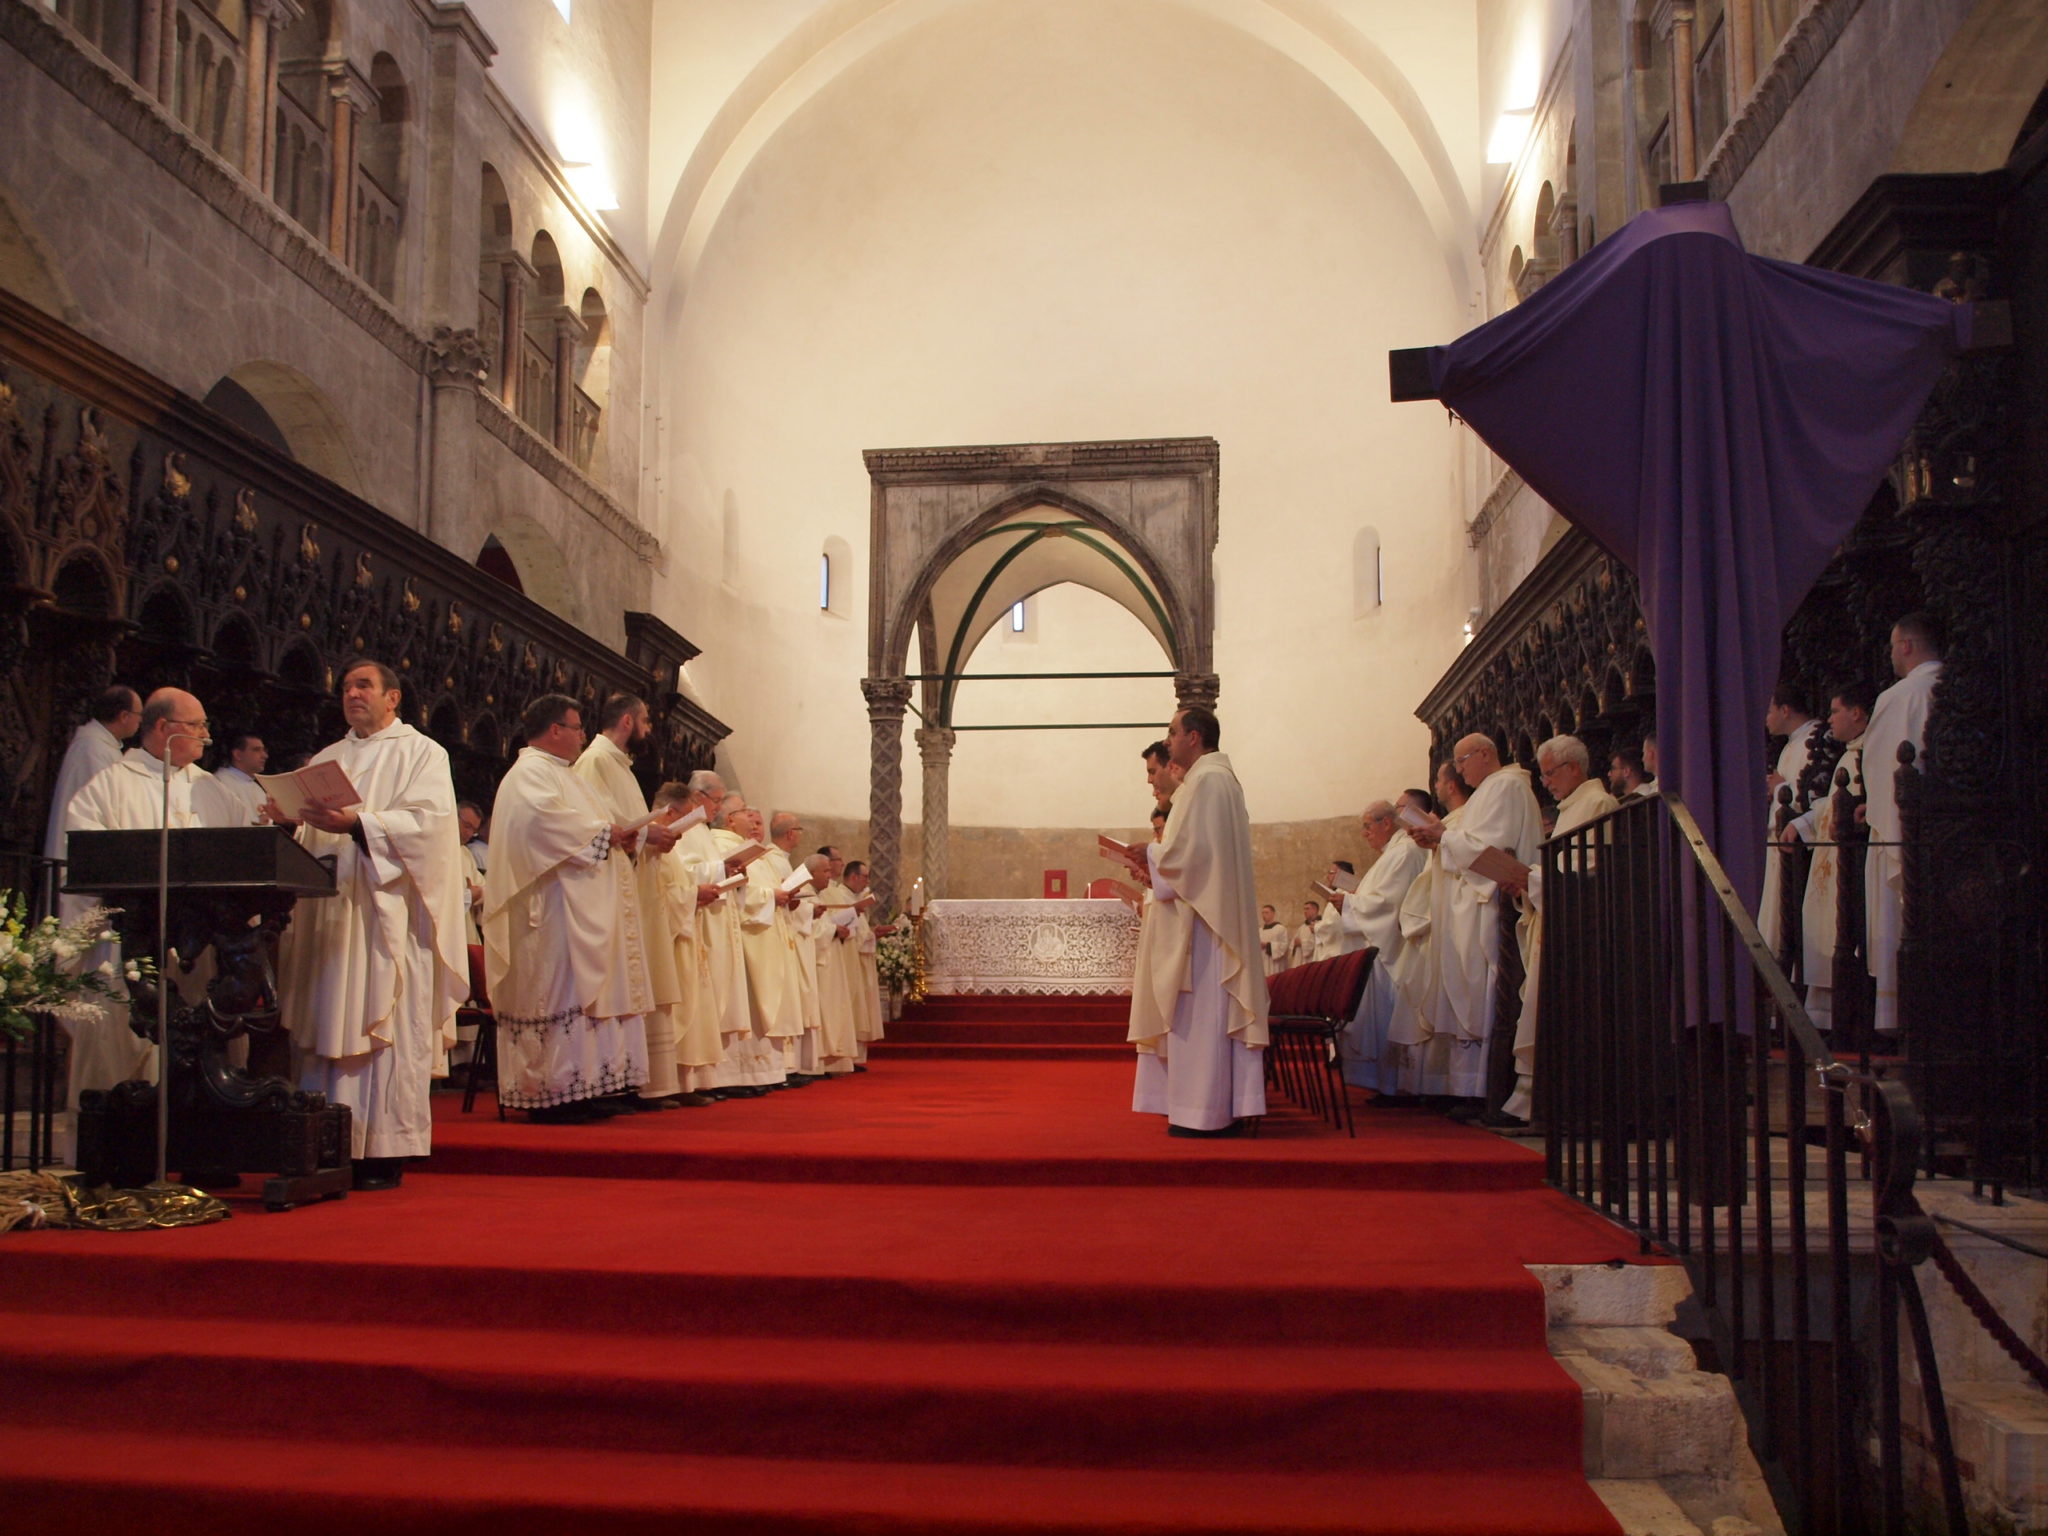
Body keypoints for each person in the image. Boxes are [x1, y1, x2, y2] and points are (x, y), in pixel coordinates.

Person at [272, 661, 470, 1188]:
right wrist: (290, 822)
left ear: (393, 698)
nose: (352, 694)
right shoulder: (327, 757)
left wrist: (359, 823)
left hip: (387, 921)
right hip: (332, 916)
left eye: (363, 686)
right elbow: (313, 840)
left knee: (383, 1026)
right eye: (345, 688)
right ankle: (327, 1143)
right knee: (327, 1019)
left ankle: (383, 1149)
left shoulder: (422, 753)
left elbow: (430, 829)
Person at [61, 688, 233, 1116]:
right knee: (121, 1053)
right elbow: (81, 866)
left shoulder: (212, 789)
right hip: (126, 946)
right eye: (196, 726)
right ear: (163, 728)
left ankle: (197, 1149)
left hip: (197, 949)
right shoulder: (109, 786)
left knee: (196, 1048)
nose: (205, 735)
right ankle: (114, 1156)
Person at [481, 693, 650, 1123]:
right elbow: (539, 822)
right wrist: (604, 833)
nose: (581, 736)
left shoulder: (564, 774)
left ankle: (586, 1086)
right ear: (555, 730)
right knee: (559, 998)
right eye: (577, 728)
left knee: (585, 996)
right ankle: (554, 1091)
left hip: (576, 908)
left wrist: (615, 835)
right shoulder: (529, 773)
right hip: (549, 913)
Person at [1129, 706, 1268, 1136]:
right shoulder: (1216, 781)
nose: (1167, 740)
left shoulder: (1206, 782)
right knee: (1205, 1018)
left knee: (1201, 1018)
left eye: (1172, 733)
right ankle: (1206, 1109)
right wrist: (1156, 861)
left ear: (1194, 737)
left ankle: (1203, 1113)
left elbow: (1190, 857)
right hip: (1207, 916)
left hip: (1204, 928)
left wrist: (1150, 854)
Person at [1408, 733, 1543, 1110]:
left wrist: (1444, 836)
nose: (1460, 768)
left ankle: (1485, 1088)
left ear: (1485, 754)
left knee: (1482, 993)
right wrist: (1440, 840)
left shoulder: (1506, 787)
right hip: (1470, 903)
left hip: (1487, 907)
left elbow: (1492, 848)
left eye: (1463, 759)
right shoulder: (1491, 790)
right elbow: (1469, 843)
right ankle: (1468, 1087)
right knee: (1467, 992)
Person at [573, 694, 689, 1109]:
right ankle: (611, 1082)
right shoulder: (596, 762)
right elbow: (591, 827)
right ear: (627, 721)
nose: (649, 730)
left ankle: (628, 1080)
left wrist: (652, 839)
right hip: (607, 896)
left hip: (632, 889)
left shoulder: (619, 766)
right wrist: (647, 835)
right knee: (613, 986)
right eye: (645, 721)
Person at [1502, 735, 1618, 1122]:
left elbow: (1589, 874)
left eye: (1550, 773)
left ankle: (1546, 1104)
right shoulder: (1573, 808)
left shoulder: (1598, 804)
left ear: (1573, 768)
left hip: (1579, 929)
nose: (1546, 782)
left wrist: (1532, 878)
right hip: (1557, 921)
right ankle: (1533, 1101)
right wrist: (1526, 885)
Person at [1862, 612, 1943, 1034]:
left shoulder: (1900, 696)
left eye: (1893, 645)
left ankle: (1906, 1026)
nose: (1892, 653)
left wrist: (1873, 805)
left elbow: (1881, 767)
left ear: (1907, 645)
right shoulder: (1953, 686)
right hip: (1952, 831)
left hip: (1906, 831)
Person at [1781, 684, 1871, 1031]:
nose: (1829, 719)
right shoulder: (1848, 755)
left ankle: (1852, 1020)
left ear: (1856, 713)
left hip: (1853, 864)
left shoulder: (1867, 752)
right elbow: (1830, 805)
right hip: (1829, 861)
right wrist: (1802, 823)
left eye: (1835, 711)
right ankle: (1826, 1018)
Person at [1387, 766, 1468, 1100]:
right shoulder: (1446, 826)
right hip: (1431, 924)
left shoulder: (1460, 822)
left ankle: (1450, 1087)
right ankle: (1432, 1086)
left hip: (1447, 924)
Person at [1336, 801, 1427, 1094]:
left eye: (1367, 826)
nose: (1364, 833)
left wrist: (1349, 903)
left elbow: (1389, 903)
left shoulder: (1404, 852)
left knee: (1390, 1015)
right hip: (1379, 950)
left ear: (1386, 823)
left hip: (1393, 953)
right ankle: (1386, 1085)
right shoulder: (1392, 853)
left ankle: (1395, 1086)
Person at [42, 685, 141, 862]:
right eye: (139, 715)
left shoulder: (102, 746)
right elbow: (101, 804)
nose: (140, 721)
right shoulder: (93, 749)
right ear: (124, 716)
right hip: (80, 855)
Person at [1759, 689, 1820, 960]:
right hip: (1780, 838)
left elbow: (1816, 793)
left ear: (1786, 710)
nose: (1766, 719)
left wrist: (1782, 787)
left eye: (1769, 710)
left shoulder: (1814, 740)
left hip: (1799, 842)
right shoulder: (1791, 744)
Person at [844, 859, 890, 1066]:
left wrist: (873, 934)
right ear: (854, 877)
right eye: (865, 876)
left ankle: (857, 1058)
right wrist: (869, 935)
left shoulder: (856, 899)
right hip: (850, 961)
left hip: (861, 960)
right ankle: (849, 1058)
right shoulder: (841, 898)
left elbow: (861, 933)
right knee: (854, 1008)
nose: (867, 881)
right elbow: (849, 932)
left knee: (861, 1009)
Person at [211, 731, 269, 826]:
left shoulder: (258, 788)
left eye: (264, 750)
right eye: (257, 750)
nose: (265, 756)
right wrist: (257, 821)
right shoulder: (220, 782)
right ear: (238, 754)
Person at [1257, 904, 1289, 976]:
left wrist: (1268, 945)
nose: (1264, 915)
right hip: (1262, 961)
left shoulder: (1280, 928)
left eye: (1267, 912)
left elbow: (1284, 945)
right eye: (1263, 913)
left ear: (1273, 914)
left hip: (1275, 963)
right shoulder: (1259, 930)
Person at [1289, 900, 1321, 968]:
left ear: (1315, 910)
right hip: (1300, 961)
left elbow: (1319, 943)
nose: (1305, 911)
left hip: (1313, 961)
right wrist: (1295, 944)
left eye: (1307, 909)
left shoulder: (1320, 925)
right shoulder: (1302, 927)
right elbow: (1292, 945)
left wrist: (1301, 943)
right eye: (1304, 909)